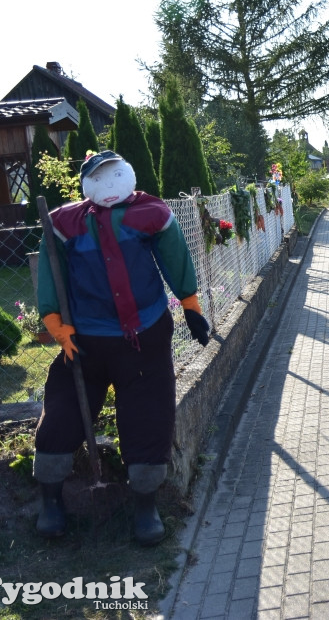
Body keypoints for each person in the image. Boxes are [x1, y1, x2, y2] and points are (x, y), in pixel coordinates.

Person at [33, 150, 211, 545]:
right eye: (101, 179)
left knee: (148, 414)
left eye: (116, 177)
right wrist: (55, 325)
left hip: (143, 336)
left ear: (126, 177)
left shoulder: (150, 213)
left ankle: (144, 507)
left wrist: (190, 305)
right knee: (63, 410)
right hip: (84, 342)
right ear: (88, 184)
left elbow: (174, 257)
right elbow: (51, 272)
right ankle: (51, 501)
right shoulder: (64, 223)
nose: (110, 188)